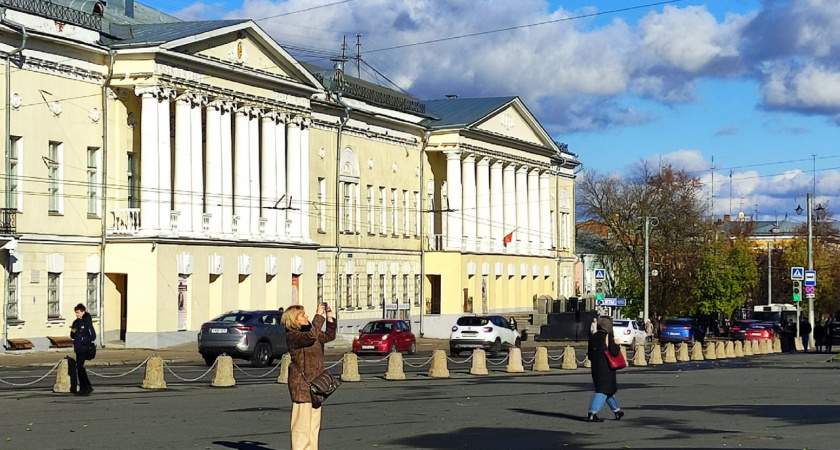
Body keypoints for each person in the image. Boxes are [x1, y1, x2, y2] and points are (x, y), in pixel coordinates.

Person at [282, 302, 336, 450]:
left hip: (317, 384)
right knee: (301, 427)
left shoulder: (311, 331)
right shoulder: (293, 335)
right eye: (303, 315)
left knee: (313, 425)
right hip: (302, 385)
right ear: (294, 320)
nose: (306, 316)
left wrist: (329, 316)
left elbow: (329, 336)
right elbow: (311, 336)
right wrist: (318, 316)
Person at [586, 317, 624, 422]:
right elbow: (614, 352)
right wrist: (617, 345)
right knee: (602, 390)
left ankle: (617, 411)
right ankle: (592, 413)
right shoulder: (607, 337)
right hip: (607, 367)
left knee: (608, 390)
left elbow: (589, 355)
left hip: (595, 367)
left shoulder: (593, 336)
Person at [69, 303, 95, 396]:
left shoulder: (87, 322)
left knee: (80, 366)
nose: (77, 314)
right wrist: (73, 331)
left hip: (85, 348)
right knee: (79, 368)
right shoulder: (75, 322)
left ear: (83, 312)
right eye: (76, 312)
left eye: (78, 312)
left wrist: (84, 340)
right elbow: (72, 335)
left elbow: (93, 336)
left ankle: (87, 386)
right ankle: (83, 387)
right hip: (78, 347)